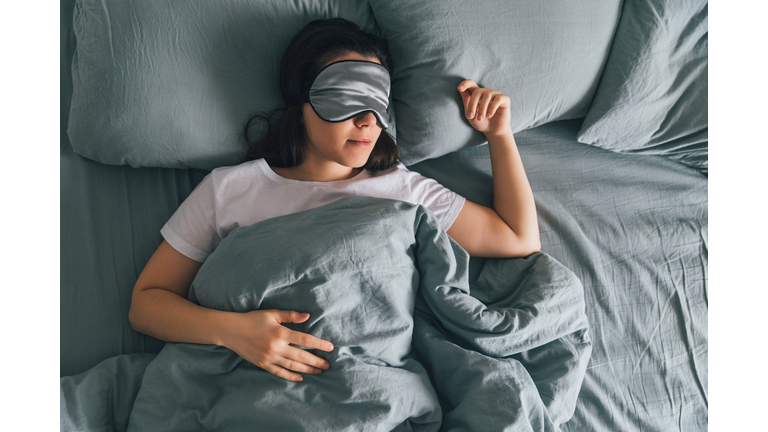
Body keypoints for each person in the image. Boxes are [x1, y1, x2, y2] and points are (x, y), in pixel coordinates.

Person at [129, 18, 539, 383]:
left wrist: (500, 136)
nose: (367, 120)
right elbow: (146, 304)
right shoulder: (228, 190)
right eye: (346, 96)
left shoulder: (403, 190)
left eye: (377, 101)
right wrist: (233, 331)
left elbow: (518, 238)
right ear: (300, 102)